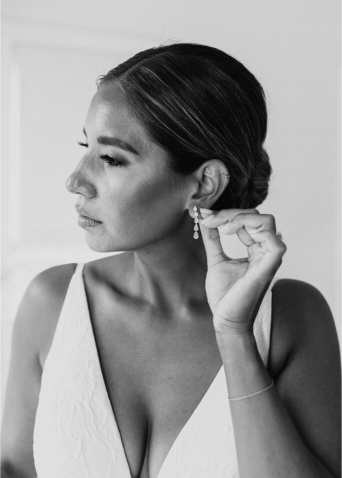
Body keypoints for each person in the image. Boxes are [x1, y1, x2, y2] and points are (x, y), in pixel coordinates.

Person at [1, 43, 340, 478]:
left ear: (202, 185)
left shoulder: (293, 317)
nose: (75, 181)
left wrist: (235, 335)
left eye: (110, 158)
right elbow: (14, 468)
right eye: (86, 147)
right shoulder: (51, 302)